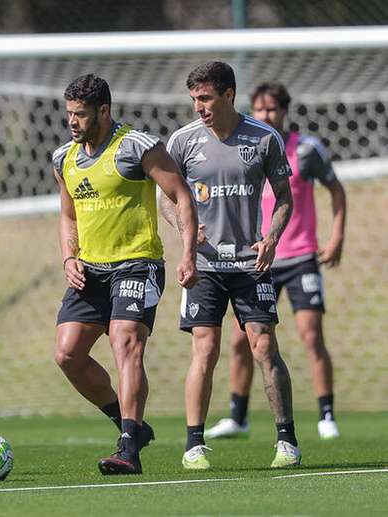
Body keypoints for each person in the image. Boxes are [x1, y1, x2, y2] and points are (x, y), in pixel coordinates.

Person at [52, 74, 199, 475]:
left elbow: (180, 195)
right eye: (69, 114)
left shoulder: (138, 146)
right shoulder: (63, 158)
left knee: (125, 342)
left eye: (80, 114)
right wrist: (69, 258)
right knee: (67, 354)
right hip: (91, 270)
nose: (73, 122)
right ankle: (127, 422)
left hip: (137, 263)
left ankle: (128, 449)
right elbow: (67, 215)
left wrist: (188, 253)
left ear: (104, 110)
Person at [162, 61, 301, 470]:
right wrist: (186, 233)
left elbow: (285, 197)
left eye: (205, 98)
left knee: (264, 346)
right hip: (203, 265)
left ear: (228, 95)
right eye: (193, 100)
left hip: (249, 264)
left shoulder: (264, 139)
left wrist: (271, 239)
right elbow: (166, 200)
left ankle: (286, 441)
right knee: (204, 349)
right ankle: (193, 445)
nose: (198, 107)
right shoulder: (183, 141)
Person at [204, 82, 347, 441]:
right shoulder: (246, 147)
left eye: (272, 109)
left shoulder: (307, 150)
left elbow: (337, 191)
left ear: (285, 110)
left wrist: (336, 237)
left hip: (299, 258)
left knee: (311, 335)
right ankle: (238, 417)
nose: (266, 116)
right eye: (260, 109)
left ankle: (326, 414)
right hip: (255, 260)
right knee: (241, 342)